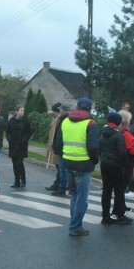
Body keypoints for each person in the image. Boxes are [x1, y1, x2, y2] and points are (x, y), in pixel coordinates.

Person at [55, 97, 99, 236]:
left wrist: (64, 155)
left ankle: (75, 225)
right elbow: (93, 147)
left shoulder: (66, 121)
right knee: (81, 198)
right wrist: (94, 161)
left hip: (67, 161)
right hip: (83, 163)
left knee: (73, 195)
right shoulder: (90, 123)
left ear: (77, 107)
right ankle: (75, 227)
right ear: (90, 108)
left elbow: (58, 143)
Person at [99, 112, 132, 225]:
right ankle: (120, 215)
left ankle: (105, 216)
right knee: (118, 191)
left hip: (104, 163)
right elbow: (122, 152)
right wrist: (125, 165)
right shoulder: (118, 135)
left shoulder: (102, 133)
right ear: (118, 122)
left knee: (106, 190)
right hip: (116, 165)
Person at [6, 104, 34, 188]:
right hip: (13, 145)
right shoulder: (11, 120)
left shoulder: (26, 120)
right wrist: (9, 139)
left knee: (19, 163)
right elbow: (7, 131)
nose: (22, 112)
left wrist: (24, 140)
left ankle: (23, 180)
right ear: (16, 111)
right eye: (21, 110)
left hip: (22, 145)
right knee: (14, 164)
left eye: (23, 110)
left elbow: (30, 132)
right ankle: (16, 181)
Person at [119, 109, 134, 210]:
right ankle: (120, 209)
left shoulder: (115, 132)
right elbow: (133, 150)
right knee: (121, 188)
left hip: (115, 164)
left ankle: (119, 208)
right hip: (126, 165)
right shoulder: (127, 134)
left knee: (117, 188)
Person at [51, 103, 71, 196]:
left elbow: (61, 136)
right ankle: (59, 186)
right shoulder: (62, 119)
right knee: (61, 169)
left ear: (64, 110)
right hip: (61, 148)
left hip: (63, 149)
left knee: (63, 170)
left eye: (61, 109)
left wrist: (57, 146)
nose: (59, 111)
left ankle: (62, 189)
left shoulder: (66, 120)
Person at [45, 102, 62, 191]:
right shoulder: (56, 119)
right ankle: (58, 183)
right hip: (55, 146)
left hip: (58, 147)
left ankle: (58, 184)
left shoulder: (59, 120)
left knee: (60, 167)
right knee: (58, 166)